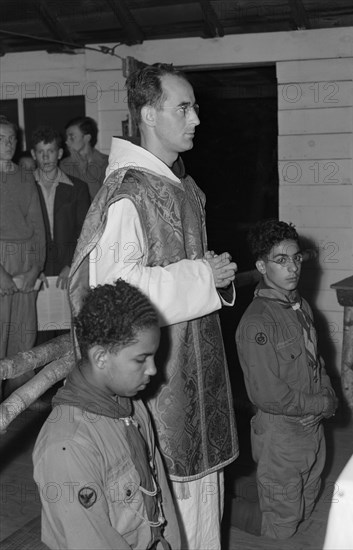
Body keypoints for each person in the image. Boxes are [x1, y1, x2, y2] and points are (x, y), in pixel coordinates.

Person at [68, 63, 239, 549]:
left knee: (205, 506)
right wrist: (204, 276)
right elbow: (118, 294)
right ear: (147, 113)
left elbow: (170, 264)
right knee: (173, 507)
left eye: (195, 107)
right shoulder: (129, 194)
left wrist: (209, 271)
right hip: (162, 383)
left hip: (192, 370)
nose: (196, 119)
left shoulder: (175, 184)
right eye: (183, 108)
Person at [33, 279, 180, 549]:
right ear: (101, 358)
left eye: (154, 357)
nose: (153, 370)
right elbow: (91, 541)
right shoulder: (67, 447)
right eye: (141, 359)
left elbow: (162, 500)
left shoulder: (132, 406)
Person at [235, 219, 338, 540]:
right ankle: (224, 508)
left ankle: (264, 496)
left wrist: (328, 398)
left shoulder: (299, 305)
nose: (292, 267)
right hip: (281, 430)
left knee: (307, 497)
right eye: (281, 260)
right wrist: (317, 404)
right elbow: (267, 393)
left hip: (311, 424)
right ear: (261, 266)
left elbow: (315, 360)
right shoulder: (257, 323)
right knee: (280, 527)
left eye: (296, 258)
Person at [0, 116, 45, 398]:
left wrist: (34, 268)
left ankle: (18, 406)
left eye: (12, 139)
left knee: (23, 337)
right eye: (1, 138)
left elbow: (39, 227)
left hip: (25, 258)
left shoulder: (25, 177)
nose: (7, 144)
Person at [31, 126, 90, 292]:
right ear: (33, 154)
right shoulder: (25, 187)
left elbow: (85, 231)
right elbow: (22, 231)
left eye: (50, 151)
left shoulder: (78, 188)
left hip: (69, 268)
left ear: (60, 153)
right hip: (35, 271)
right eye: (40, 151)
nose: (45, 157)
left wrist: (72, 264)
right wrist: (32, 268)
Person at [60, 116, 108, 200]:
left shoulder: (105, 163)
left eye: (71, 137)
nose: (67, 142)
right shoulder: (65, 165)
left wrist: (84, 172)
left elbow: (100, 200)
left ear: (87, 138)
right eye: (67, 137)